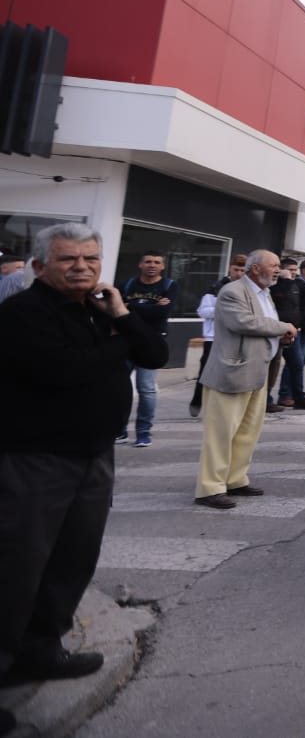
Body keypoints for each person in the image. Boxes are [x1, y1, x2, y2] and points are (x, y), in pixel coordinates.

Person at [0, 223, 166, 710]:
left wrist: (119, 315)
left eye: (91, 259)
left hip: (93, 458)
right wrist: (118, 337)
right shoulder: (20, 314)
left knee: (71, 563)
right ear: (38, 266)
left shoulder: (98, 310)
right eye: (69, 259)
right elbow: (67, 371)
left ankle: (41, 651)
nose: (82, 267)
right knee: (15, 570)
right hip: (35, 461)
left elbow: (154, 352)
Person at [194, 250, 297, 509]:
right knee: (221, 433)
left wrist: (280, 336)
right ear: (255, 269)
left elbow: (264, 325)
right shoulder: (233, 291)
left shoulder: (265, 293)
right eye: (273, 265)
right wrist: (283, 327)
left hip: (257, 371)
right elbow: (244, 322)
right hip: (233, 372)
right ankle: (210, 488)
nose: (278, 269)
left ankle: (235, 479)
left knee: (247, 432)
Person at [119, 250, 175, 446]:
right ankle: (119, 431)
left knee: (147, 389)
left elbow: (162, 313)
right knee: (119, 387)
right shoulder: (127, 284)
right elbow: (115, 308)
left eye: (157, 262)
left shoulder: (169, 286)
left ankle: (143, 432)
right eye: (148, 261)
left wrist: (130, 306)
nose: (152, 265)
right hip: (125, 340)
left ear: (162, 266)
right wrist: (152, 307)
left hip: (152, 342)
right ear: (140, 264)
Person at [191, 255, 248, 416]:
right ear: (230, 267)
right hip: (214, 336)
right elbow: (202, 311)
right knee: (206, 371)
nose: (239, 273)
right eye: (236, 269)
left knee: (230, 373)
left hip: (237, 336)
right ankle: (197, 401)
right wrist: (224, 310)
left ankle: (220, 407)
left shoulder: (248, 289)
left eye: (243, 270)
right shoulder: (216, 287)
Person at [270, 258, 305, 410]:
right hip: (285, 331)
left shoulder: (302, 286)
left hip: (301, 329)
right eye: (291, 270)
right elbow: (287, 306)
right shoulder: (285, 286)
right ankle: (284, 395)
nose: (293, 273)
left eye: (294, 270)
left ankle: (297, 396)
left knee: (298, 364)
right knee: (282, 365)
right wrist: (285, 281)